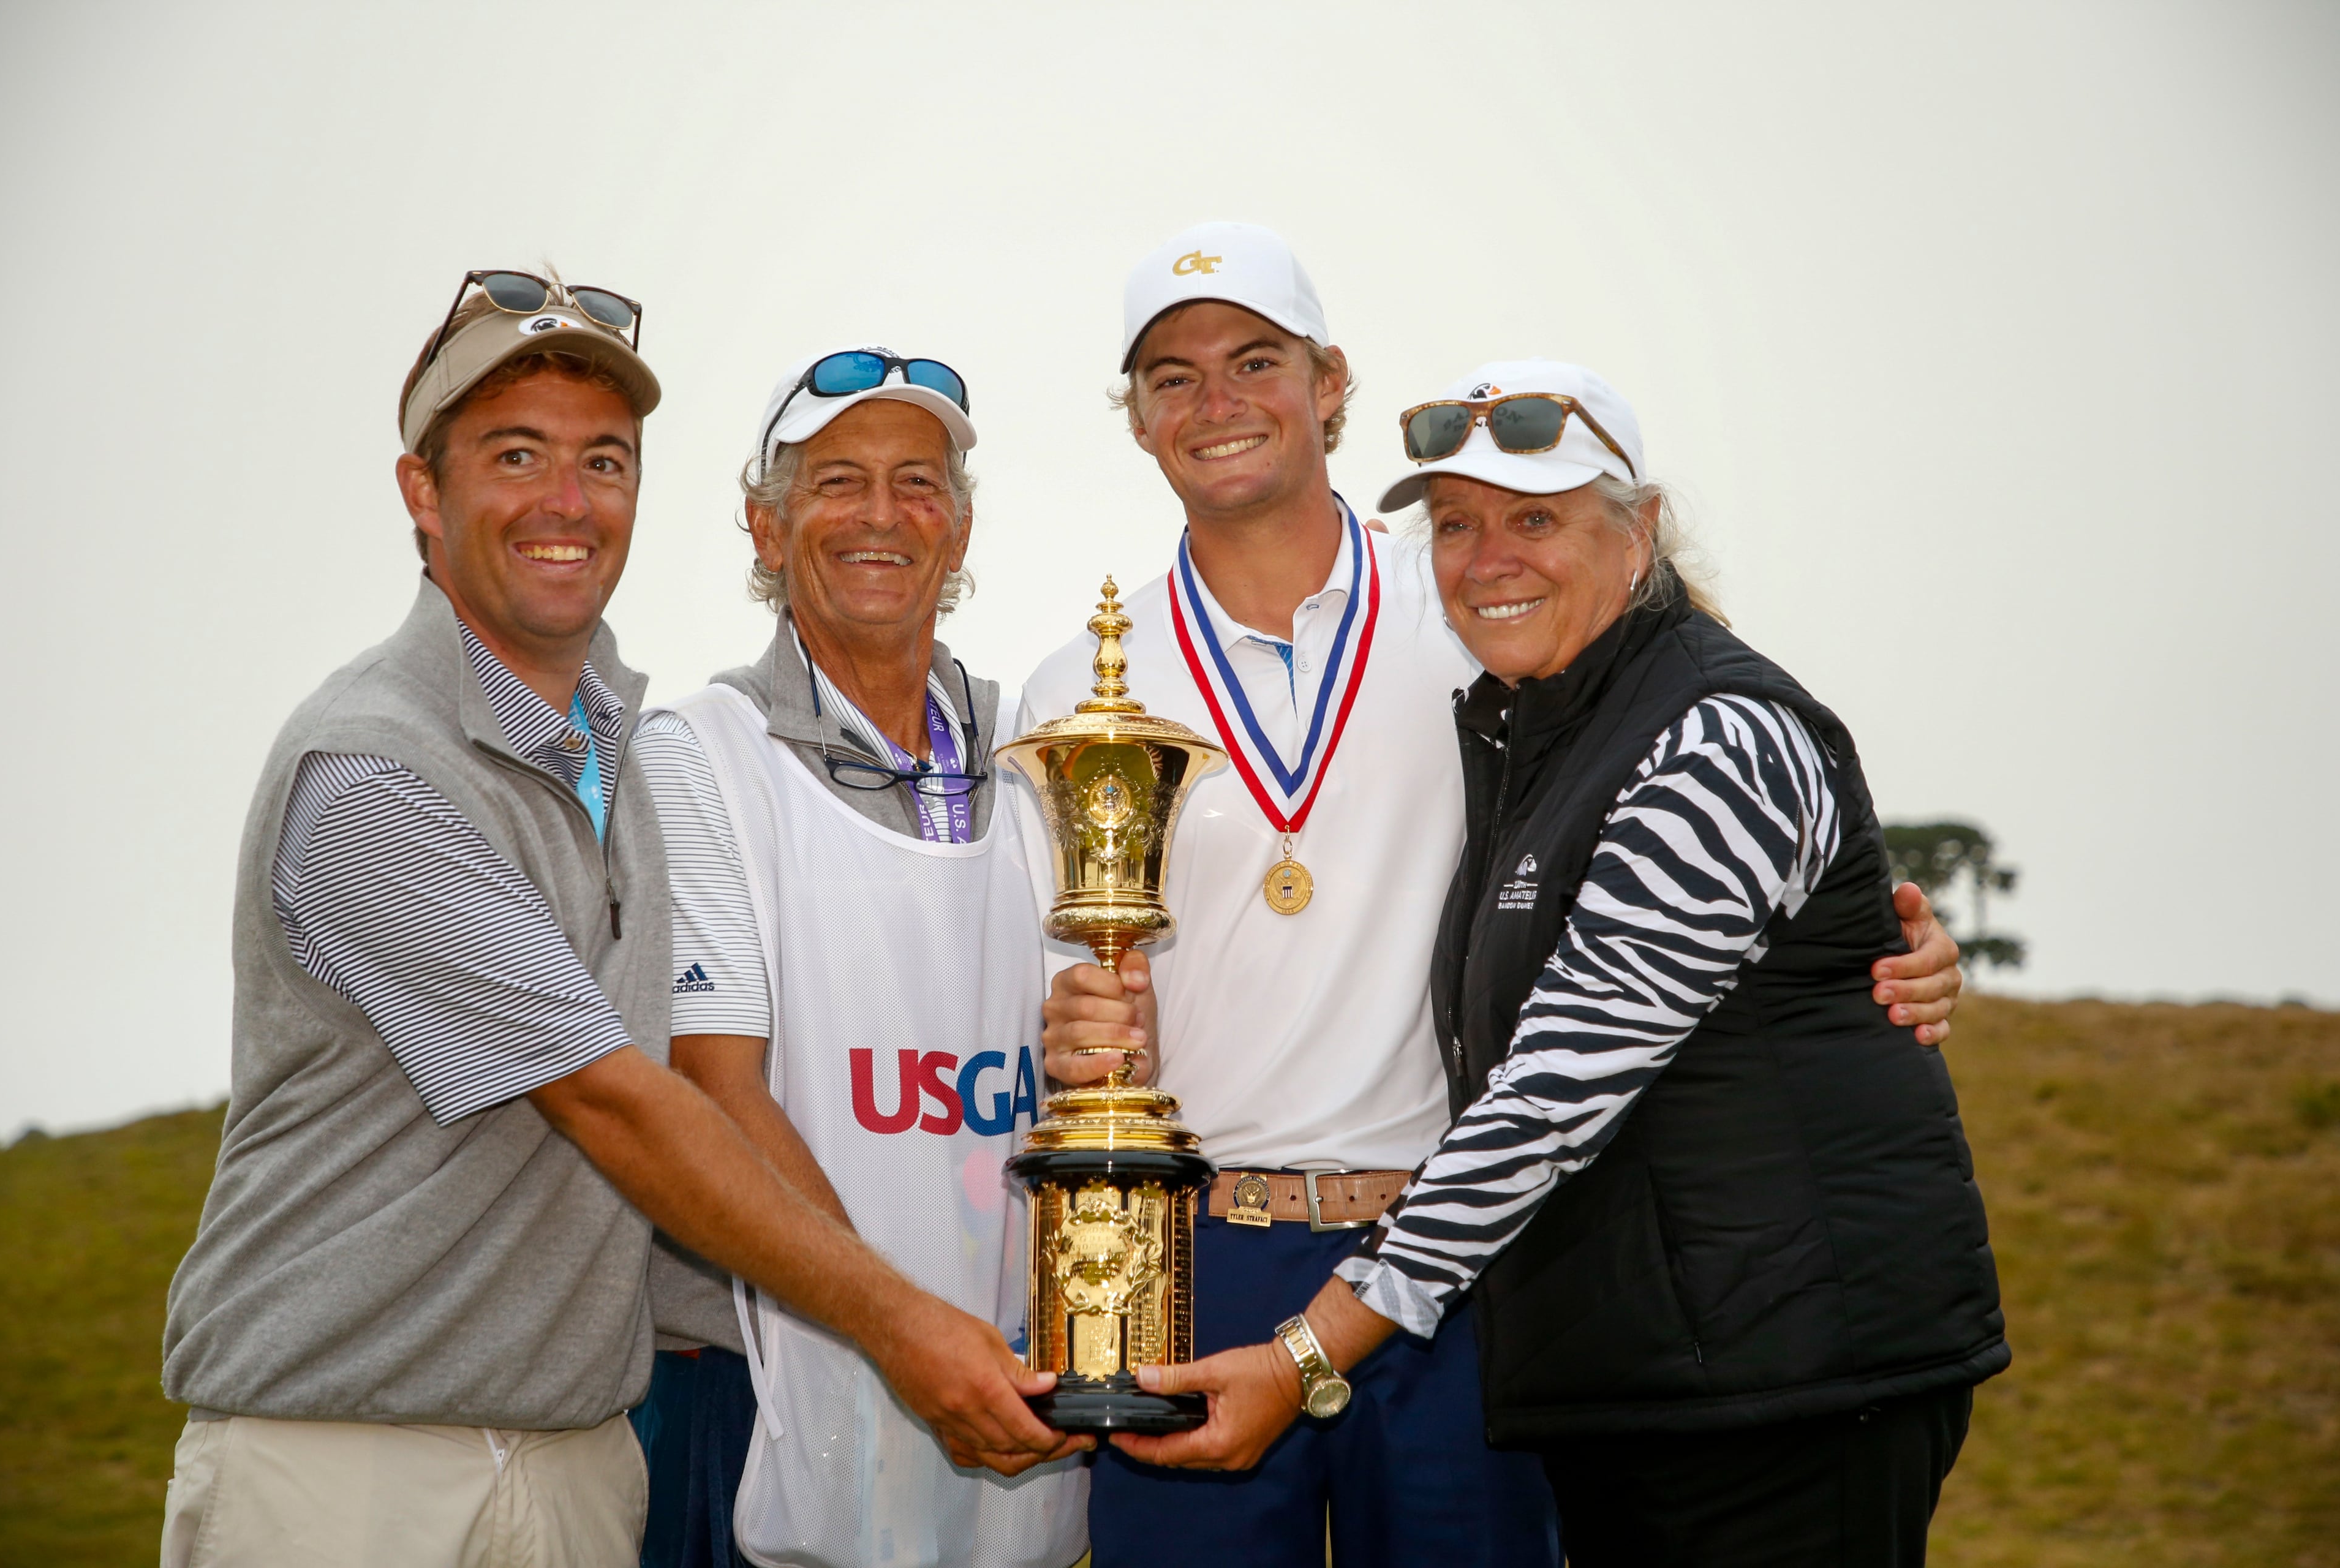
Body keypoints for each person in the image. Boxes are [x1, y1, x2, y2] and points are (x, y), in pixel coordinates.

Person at [1019, 226, 1968, 1568]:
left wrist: (1892, 941)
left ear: (1331, 381)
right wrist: (1068, 1027)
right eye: (1171, 376)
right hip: (1202, 1244)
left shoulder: (1470, 608)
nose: (1215, 402)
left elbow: (1707, 822)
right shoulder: (1077, 684)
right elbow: (1042, 979)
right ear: (1137, 419)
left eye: (1254, 360)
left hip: (1463, 1249)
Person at [160, 279, 1072, 1568]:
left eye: (603, 460)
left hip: (577, 1447)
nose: (567, 500)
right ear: (424, 493)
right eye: (514, 455)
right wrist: (907, 1322)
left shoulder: (618, 752)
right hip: (351, 1456)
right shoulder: (374, 769)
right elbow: (620, 1101)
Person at [628, 345, 1087, 1568]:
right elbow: (715, 1087)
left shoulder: (1039, 748)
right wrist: (902, 1328)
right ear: (766, 526)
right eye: (837, 481)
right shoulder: (697, 754)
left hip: (1002, 1372)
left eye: (918, 482)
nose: (883, 515)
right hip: (762, 1388)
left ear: (963, 525)